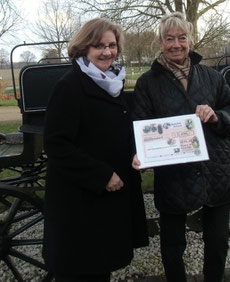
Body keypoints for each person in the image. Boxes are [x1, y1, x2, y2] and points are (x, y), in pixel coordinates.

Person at [131, 12, 230, 281]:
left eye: (182, 38)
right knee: (172, 245)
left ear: (190, 40)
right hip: (173, 173)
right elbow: (141, 122)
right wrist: (141, 152)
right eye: (169, 39)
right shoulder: (148, 83)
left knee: (217, 241)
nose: (176, 44)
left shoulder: (211, 77)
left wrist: (217, 116)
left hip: (214, 168)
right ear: (159, 42)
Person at [43, 18, 149, 281]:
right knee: (81, 269)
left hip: (106, 201)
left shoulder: (112, 83)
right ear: (83, 48)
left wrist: (137, 153)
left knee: (100, 268)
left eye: (112, 45)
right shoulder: (69, 87)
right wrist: (101, 176)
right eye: (98, 45)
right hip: (80, 202)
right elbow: (56, 145)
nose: (107, 51)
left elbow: (119, 131)